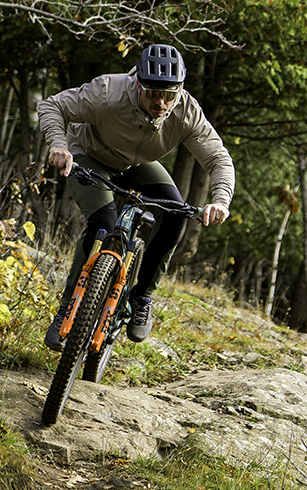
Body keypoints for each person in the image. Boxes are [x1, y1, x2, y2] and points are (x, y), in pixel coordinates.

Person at [38, 43, 234, 348]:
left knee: (176, 214)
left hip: (134, 163)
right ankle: (68, 309)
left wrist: (220, 200)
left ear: (179, 90)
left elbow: (218, 159)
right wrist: (58, 144)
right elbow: (52, 105)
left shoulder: (186, 111)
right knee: (103, 221)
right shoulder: (108, 92)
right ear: (138, 84)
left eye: (168, 95)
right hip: (89, 154)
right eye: (153, 93)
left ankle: (141, 296)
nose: (160, 102)